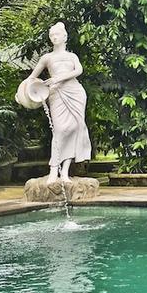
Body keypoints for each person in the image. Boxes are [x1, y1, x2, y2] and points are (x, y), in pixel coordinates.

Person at [24, 22, 92, 182]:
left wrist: (57, 78)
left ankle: (65, 172)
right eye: (52, 35)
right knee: (60, 130)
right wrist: (23, 93)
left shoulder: (72, 56)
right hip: (57, 94)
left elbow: (79, 70)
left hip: (75, 92)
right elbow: (31, 77)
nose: (54, 37)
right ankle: (54, 169)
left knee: (74, 129)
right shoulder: (47, 58)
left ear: (65, 37)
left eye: (57, 34)